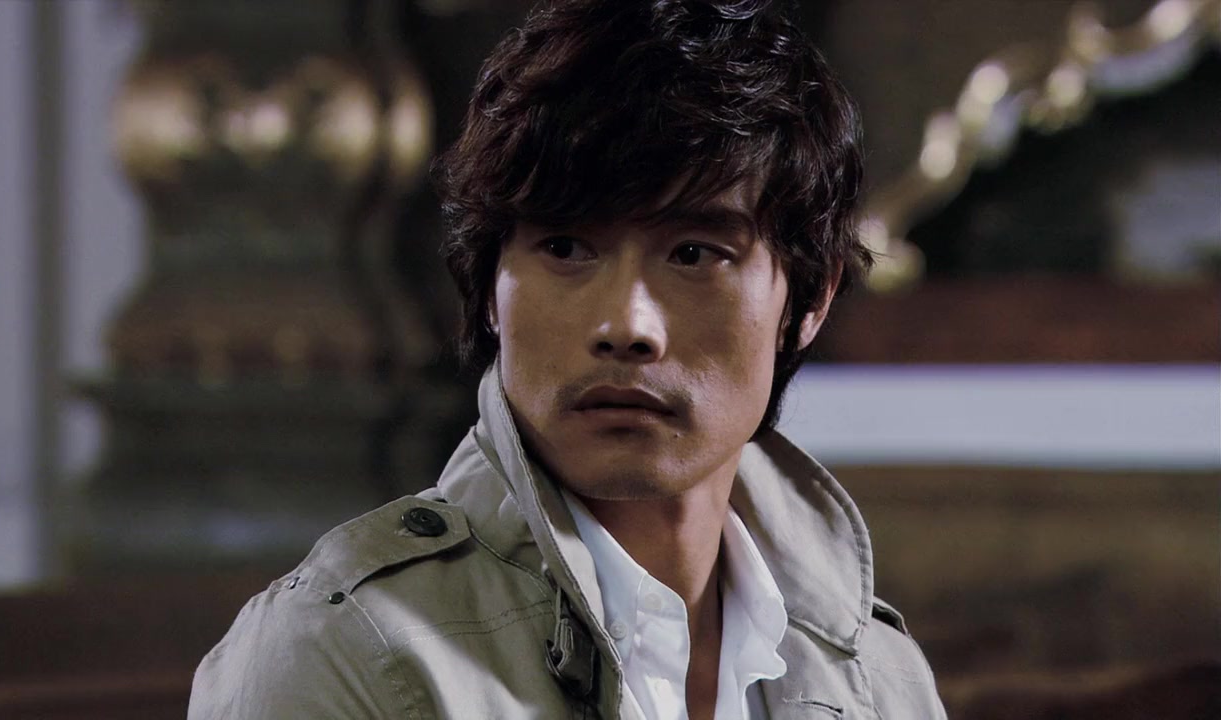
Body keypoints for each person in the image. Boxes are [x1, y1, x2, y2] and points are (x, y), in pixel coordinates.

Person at [189, 1, 946, 718]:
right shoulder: (343, 650)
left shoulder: (881, 682)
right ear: (491, 288)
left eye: (694, 254)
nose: (627, 325)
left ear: (809, 302)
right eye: (564, 247)